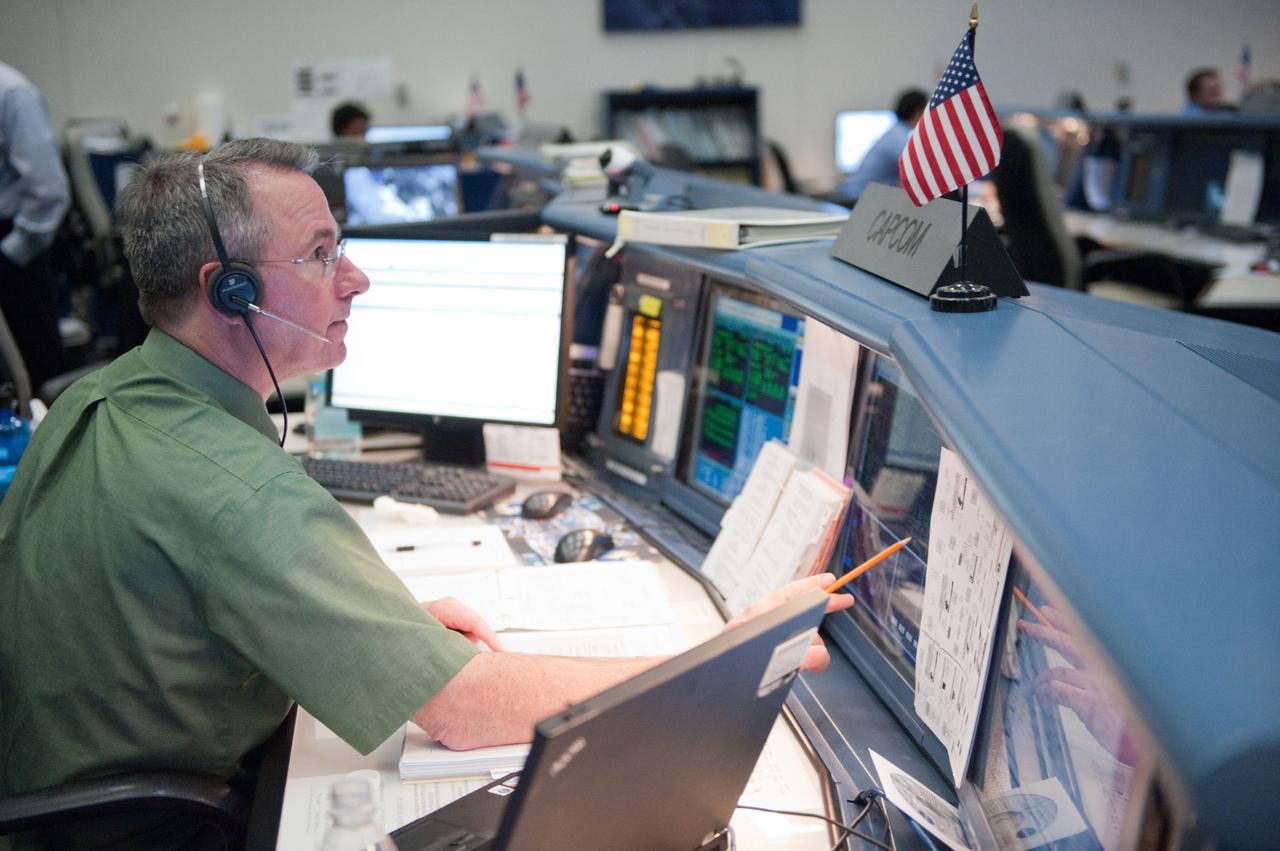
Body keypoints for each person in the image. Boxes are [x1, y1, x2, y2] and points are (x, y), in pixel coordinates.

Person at [0, 138, 852, 845]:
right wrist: (720, 652)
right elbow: (466, 712)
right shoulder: (236, 487)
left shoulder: (98, 398)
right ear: (232, 290)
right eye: (321, 254)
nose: (356, 278)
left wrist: (377, 628)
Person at [0, 60, 70, 391]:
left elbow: (48, 190)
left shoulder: (11, 92)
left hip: (12, 246)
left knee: (35, 367)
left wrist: (11, 256)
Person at [837, 88, 927, 202]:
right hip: (858, 199)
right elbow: (920, 170)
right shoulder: (898, 138)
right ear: (919, 111)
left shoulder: (895, 132)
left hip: (856, 193)